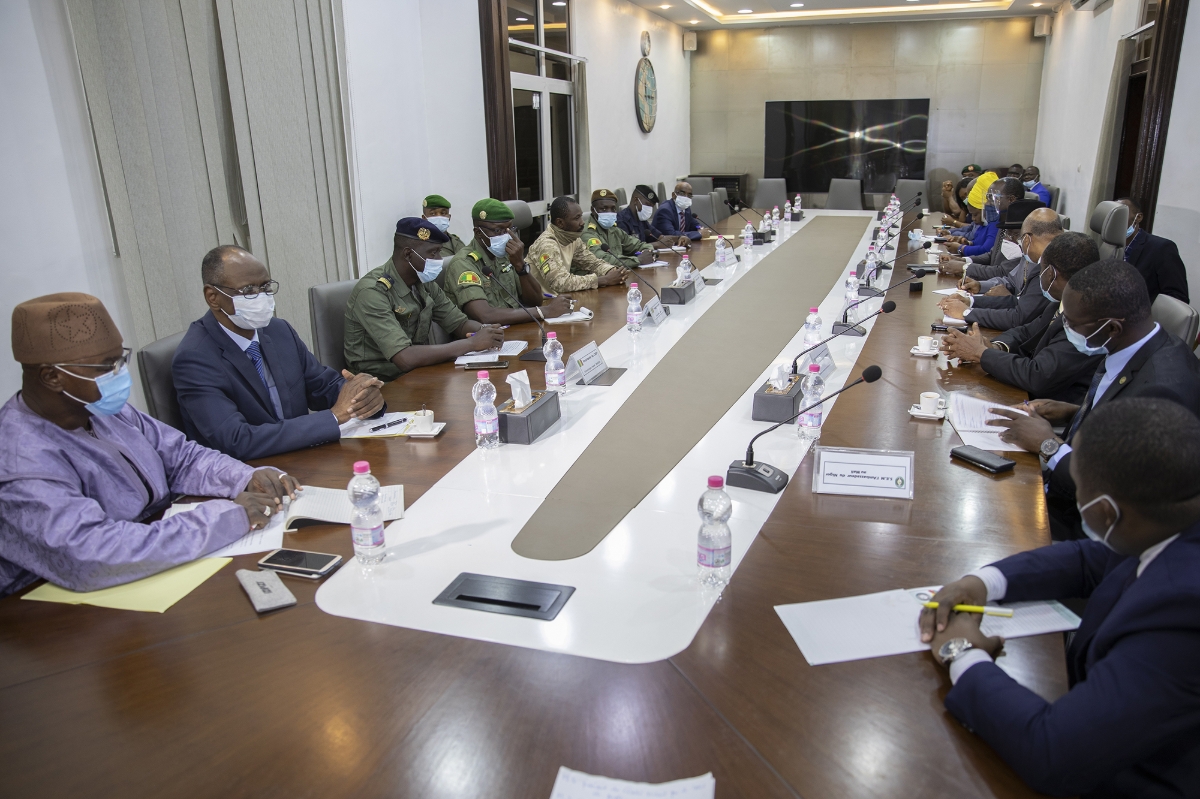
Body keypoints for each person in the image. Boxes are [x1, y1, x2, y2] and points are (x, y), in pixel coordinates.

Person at [920, 398, 1200, 798]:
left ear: (1106, 513)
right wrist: (983, 582)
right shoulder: (1167, 519)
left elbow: (1051, 751)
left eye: (1080, 489)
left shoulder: (1183, 613)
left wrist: (960, 652)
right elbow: (1090, 559)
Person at [0, 293, 297, 597]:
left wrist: (244, 477)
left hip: (151, 559)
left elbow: (180, 456)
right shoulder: (21, 458)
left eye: (120, 360)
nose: (119, 375)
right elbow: (90, 553)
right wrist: (229, 518)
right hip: (50, 608)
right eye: (106, 367)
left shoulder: (102, 409)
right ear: (52, 377)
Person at [984, 259, 1200, 540]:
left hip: (1084, 526)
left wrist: (1048, 445)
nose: (1066, 327)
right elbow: (1125, 429)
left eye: (1071, 323)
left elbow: (1117, 490)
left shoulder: (1163, 391)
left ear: (1111, 328)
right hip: (1063, 486)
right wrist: (1071, 412)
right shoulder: (1133, 344)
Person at [174, 246, 385, 461]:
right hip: (248, 477)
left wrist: (362, 393)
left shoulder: (278, 330)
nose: (261, 297)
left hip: (302, 459)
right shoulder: (195, 359)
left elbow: (323, 386)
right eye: (248, 291)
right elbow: (236, 440)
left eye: (265, 287)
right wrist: (333, 417)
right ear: (213, 297)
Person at [942, 232, 1102, 404]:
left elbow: (1038, 375)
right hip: (1028, 393)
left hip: (1048, 411)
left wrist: (981, 354)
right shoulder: (1063, 301)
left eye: (1041, 270)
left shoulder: (1086, 320)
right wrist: (995, 346)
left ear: (1051, 274)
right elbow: (1026, 332)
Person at [344, 218, 505, 380]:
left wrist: (487, 332)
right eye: (433, 253)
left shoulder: (423, 282)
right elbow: (405, 358)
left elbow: (459, 323)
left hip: (418, 373)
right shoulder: (372, 292)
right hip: (380, 384)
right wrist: (472, 344)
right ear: (408, 254)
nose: (439, 259)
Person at [442, 199, 571, 325]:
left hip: (515, 331)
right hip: (484, 339)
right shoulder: (463, 264)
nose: (507, 236)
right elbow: (485, 315)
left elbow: (535, 301)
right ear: (478, 233)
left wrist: (520, 266)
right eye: (498, 230)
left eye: (510, 229)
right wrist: (545, 311)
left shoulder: (505, 255)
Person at [938, 206, 1060, 332]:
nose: (1013, 241)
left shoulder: (1048, 268)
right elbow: (1013, 286)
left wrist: (966, 312)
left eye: (1018, 237)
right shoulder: (1034, 256)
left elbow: (1018, 317)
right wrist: (971, 299)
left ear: (1027, 239)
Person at [527, 196, 629, 293]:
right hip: (544, 303)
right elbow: (560, 282)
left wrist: (612, 271)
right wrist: (604, 280)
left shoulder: (572, 238)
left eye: (581, 216)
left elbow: (592, 263)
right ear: (560, 223)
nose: (582, 222)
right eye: (577, 218)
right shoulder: (547, 244)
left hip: (563, 298)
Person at [1118, 197, 1190, 304]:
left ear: (1138, 217)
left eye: (1122, 214)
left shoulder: (1161, 248)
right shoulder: (1109, 248)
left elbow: (1177, 298)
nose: (1116, 219)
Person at [945, 177, 1024, 263]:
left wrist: (963, 260)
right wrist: (963, 260)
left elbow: (1001, 270)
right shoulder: (1002, 223)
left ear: (1011, 199)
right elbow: (992, 255)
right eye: (987, 198)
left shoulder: (1016, 230)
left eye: (992, 198)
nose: (987, 203)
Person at [585, 189, 655, 269]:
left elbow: (638, 245)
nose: (609, 212)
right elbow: (602, 259)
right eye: (604, 209)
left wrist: (647, 252)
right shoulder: (587, 233)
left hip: (617, 275)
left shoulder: (614, 229)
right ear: (592, 210)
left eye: (613, 209)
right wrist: (638, 260)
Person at [617, 185, 689, 247]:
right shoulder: (621, 220)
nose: (649, 209)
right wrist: (657, 245)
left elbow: (660, 237)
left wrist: (679, 238)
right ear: (635, 200)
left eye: (651, 206)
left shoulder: (641, 220)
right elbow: (627, 248)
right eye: (647, 204)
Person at [421, 194, 467, 259]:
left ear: (449, 217)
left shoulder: (456, 241)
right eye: (433, 214)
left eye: (443, 213)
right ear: (424, 218)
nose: (439, 217)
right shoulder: (419, 244)